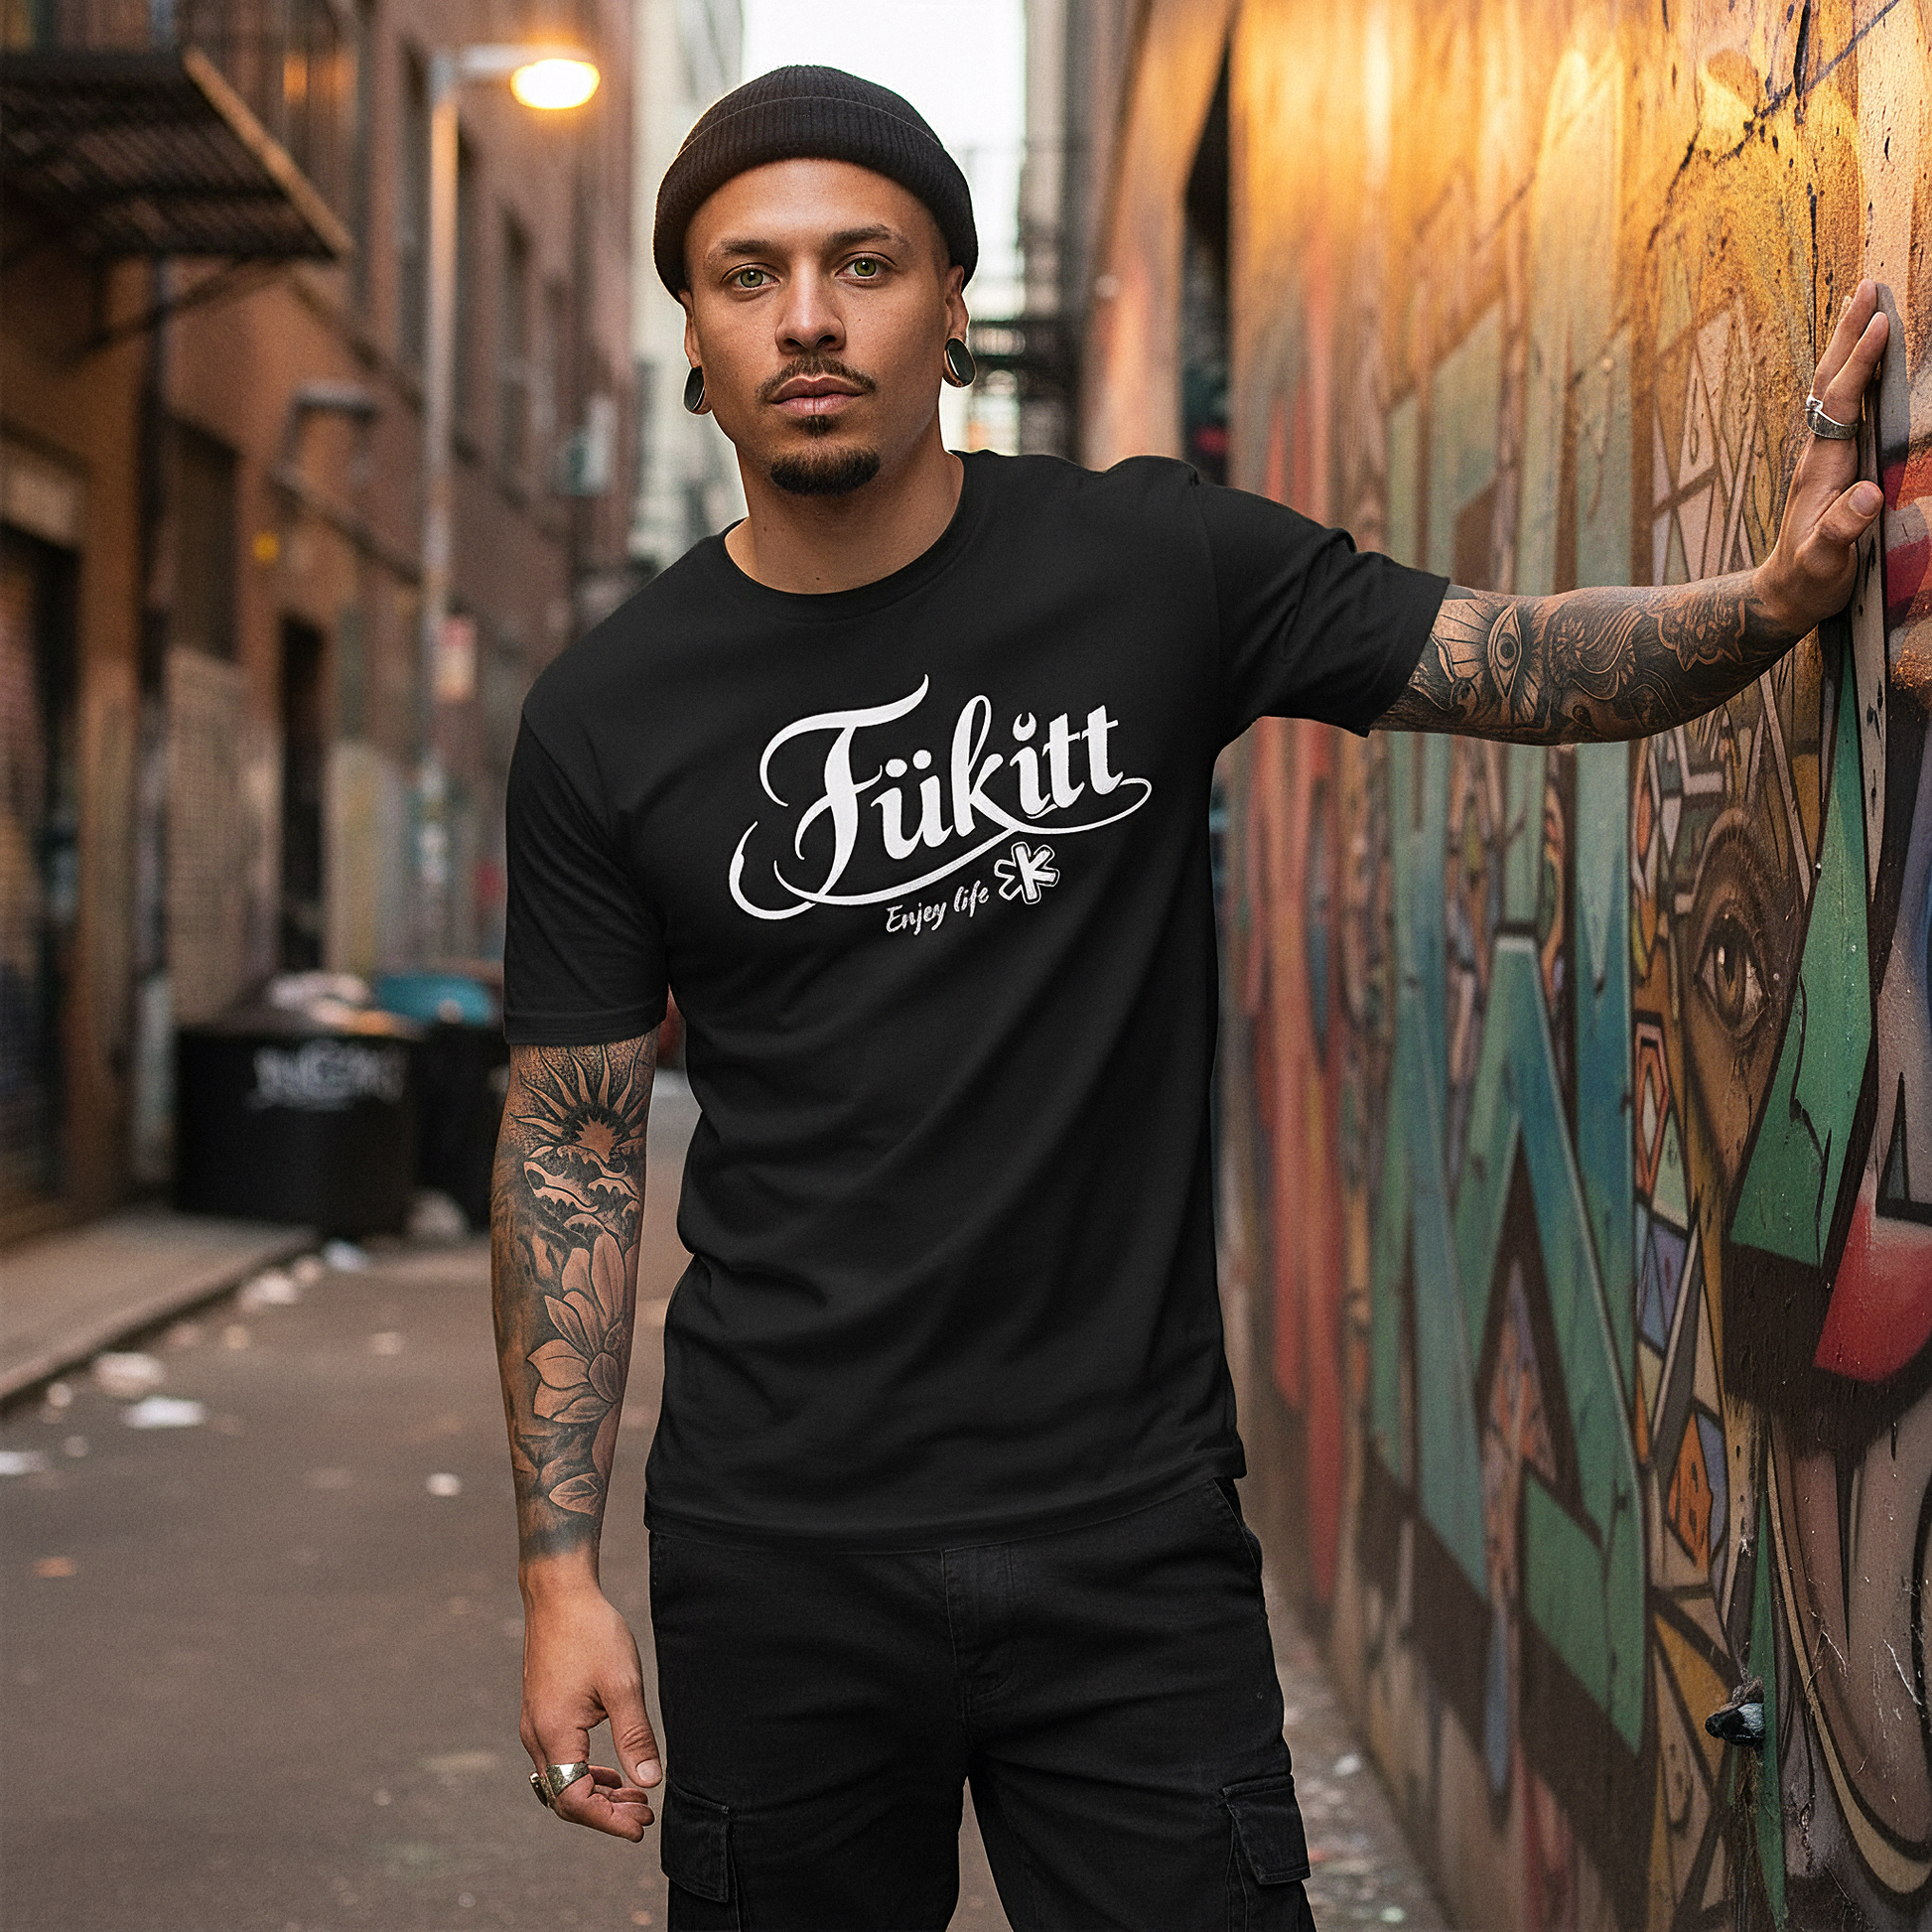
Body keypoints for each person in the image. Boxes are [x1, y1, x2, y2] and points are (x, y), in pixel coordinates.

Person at [492, 65, 1887, 1932]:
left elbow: (1513, 661)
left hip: (1124, 1532)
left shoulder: (1150, 561)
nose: (807, 317)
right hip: (779, 1547)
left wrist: (1780, 589)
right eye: (748, 276)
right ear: (694, 330)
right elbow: (572, 1148)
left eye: (862, 262)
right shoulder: (606, 713)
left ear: (950, 308)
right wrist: (558, 1574)